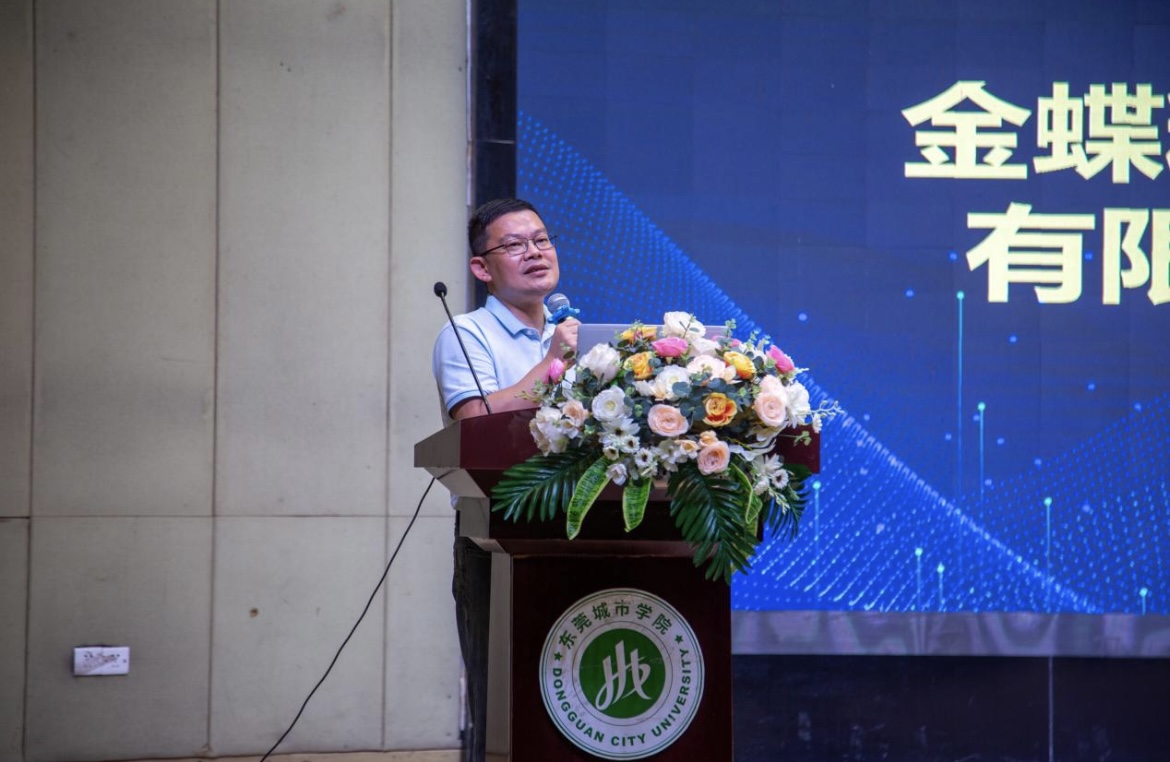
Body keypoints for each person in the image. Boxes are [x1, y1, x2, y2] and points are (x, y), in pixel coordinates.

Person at [431, 197, 578, 762]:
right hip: (497, 538)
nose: (535, 252)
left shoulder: (573, 335)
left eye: (541, 240)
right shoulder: (465, 334)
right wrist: (553, 365)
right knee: (505, 708)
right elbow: (474, 422)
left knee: (571, 706)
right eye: (515, 245)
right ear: (481, 267)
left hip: (579, 534)